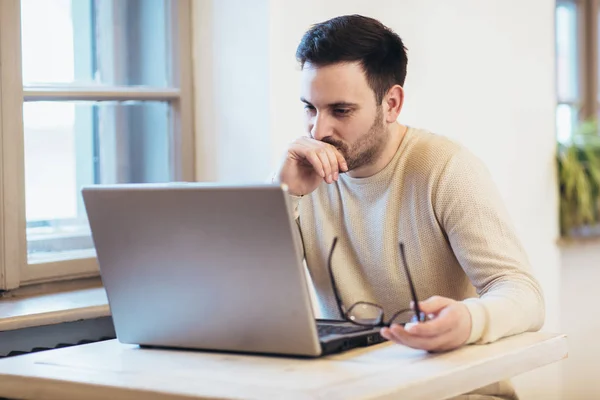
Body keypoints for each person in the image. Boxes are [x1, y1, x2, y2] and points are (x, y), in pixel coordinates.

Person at [274, 14, 544, 400]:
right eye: (309, 108)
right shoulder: (302, 173)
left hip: (457, 393)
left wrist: (469, 320)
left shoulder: (447, 168)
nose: (318, 131)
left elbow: (524, 293)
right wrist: (285, 194)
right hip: (350, 390)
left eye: (341, 110)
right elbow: (251, 295)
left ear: (392, 104)